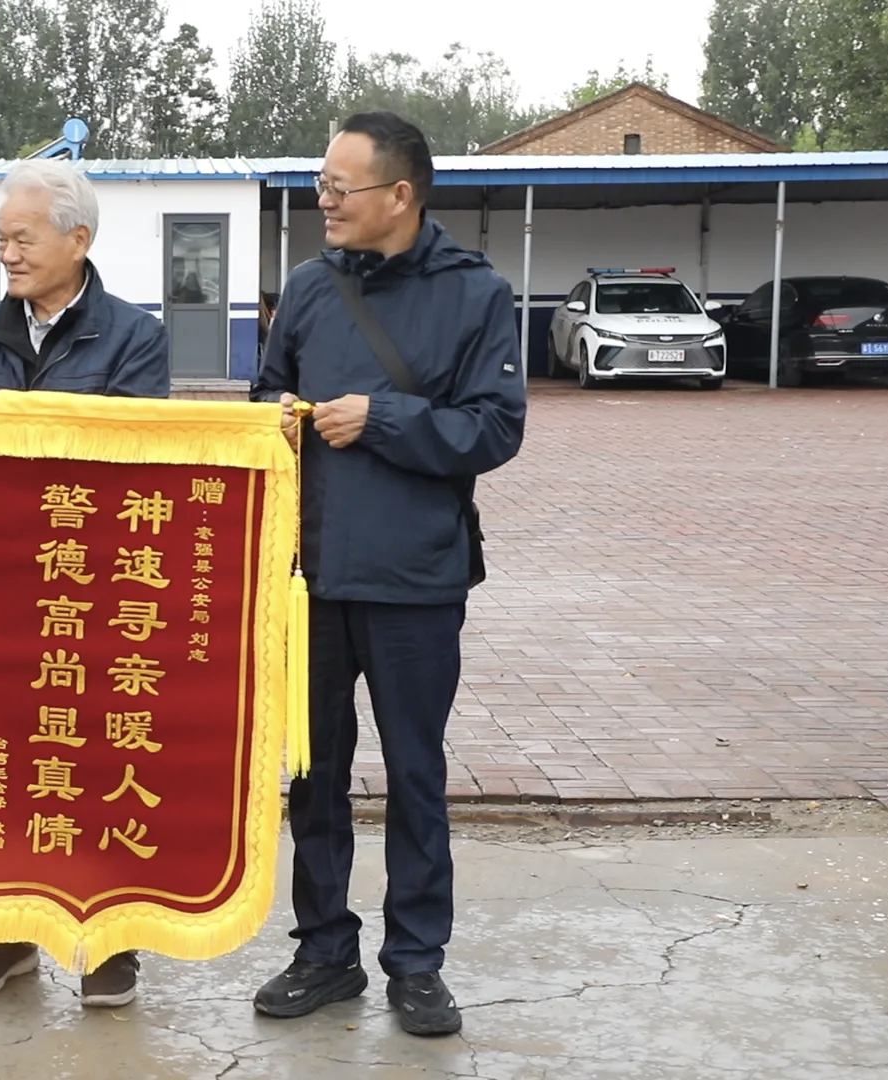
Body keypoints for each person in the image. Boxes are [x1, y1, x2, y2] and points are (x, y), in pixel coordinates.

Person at [249, 112, 526, 1035]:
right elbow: (266, 396)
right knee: (312, 775)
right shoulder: (308, 286)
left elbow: (494, 429)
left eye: (340, 187)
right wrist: (278, 416)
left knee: (414, 774)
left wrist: (382, 419)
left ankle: (416, 961)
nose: (324, 201)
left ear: (400, 195)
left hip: (416, 581)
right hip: (313, 579)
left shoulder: (476, 293)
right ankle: (324, 951)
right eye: (320, 185)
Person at [0, 157, 170, 1007]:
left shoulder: (134, 337)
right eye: (1, 240)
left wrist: (0, 415)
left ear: (78, 239)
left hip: (97, 589)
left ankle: (111, 943)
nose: (9, 255)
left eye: (24, 239)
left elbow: (129, 452)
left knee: (102, 756)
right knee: (5, 756)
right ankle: (6, 932)